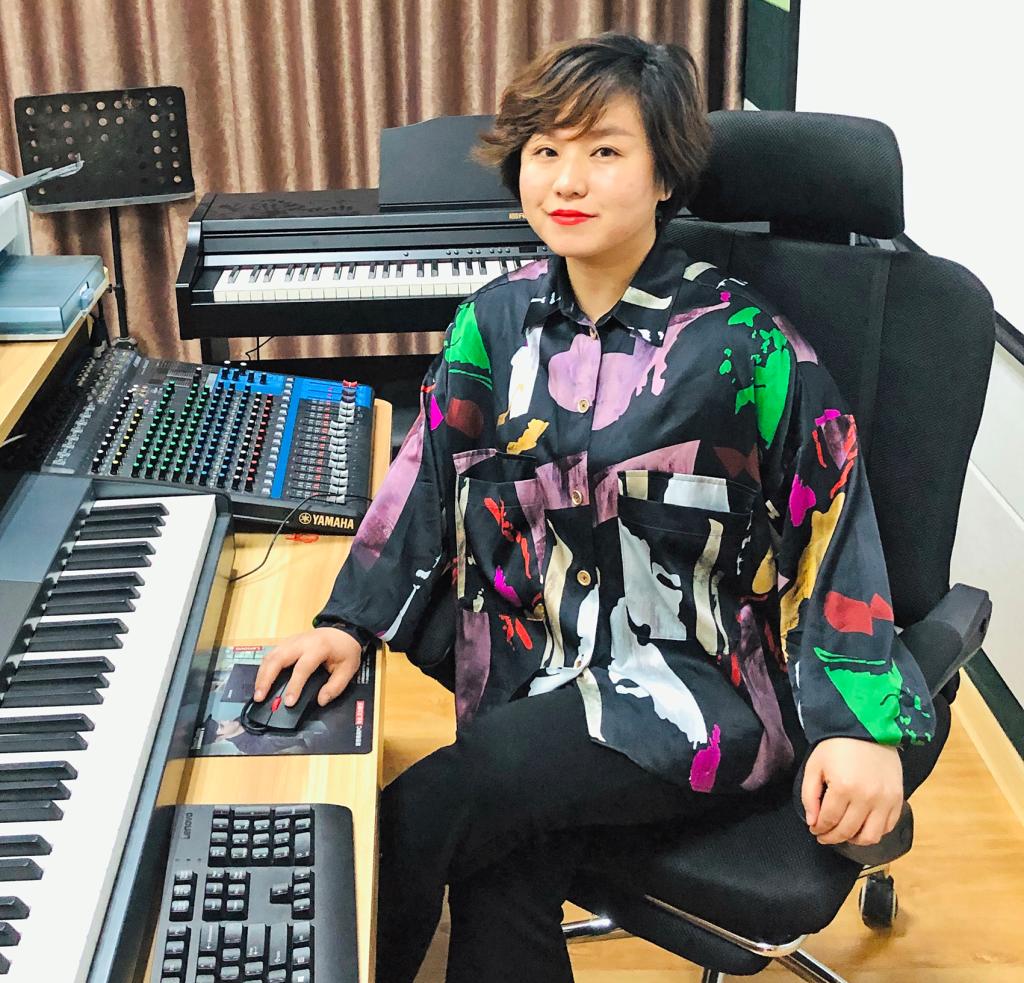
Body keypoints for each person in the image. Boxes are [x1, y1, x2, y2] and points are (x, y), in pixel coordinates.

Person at [252, 32, 936, 983]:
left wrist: (862, 728)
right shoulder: (494, 320)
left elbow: (834, 529)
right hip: (535, 671)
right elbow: (425, 474)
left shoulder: (744, 344)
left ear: (665, 177)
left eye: (604, 150)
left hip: (697, 689)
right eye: (546, 150)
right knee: (502, 866)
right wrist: (349, 623)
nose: (567, 179)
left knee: (418, 816)